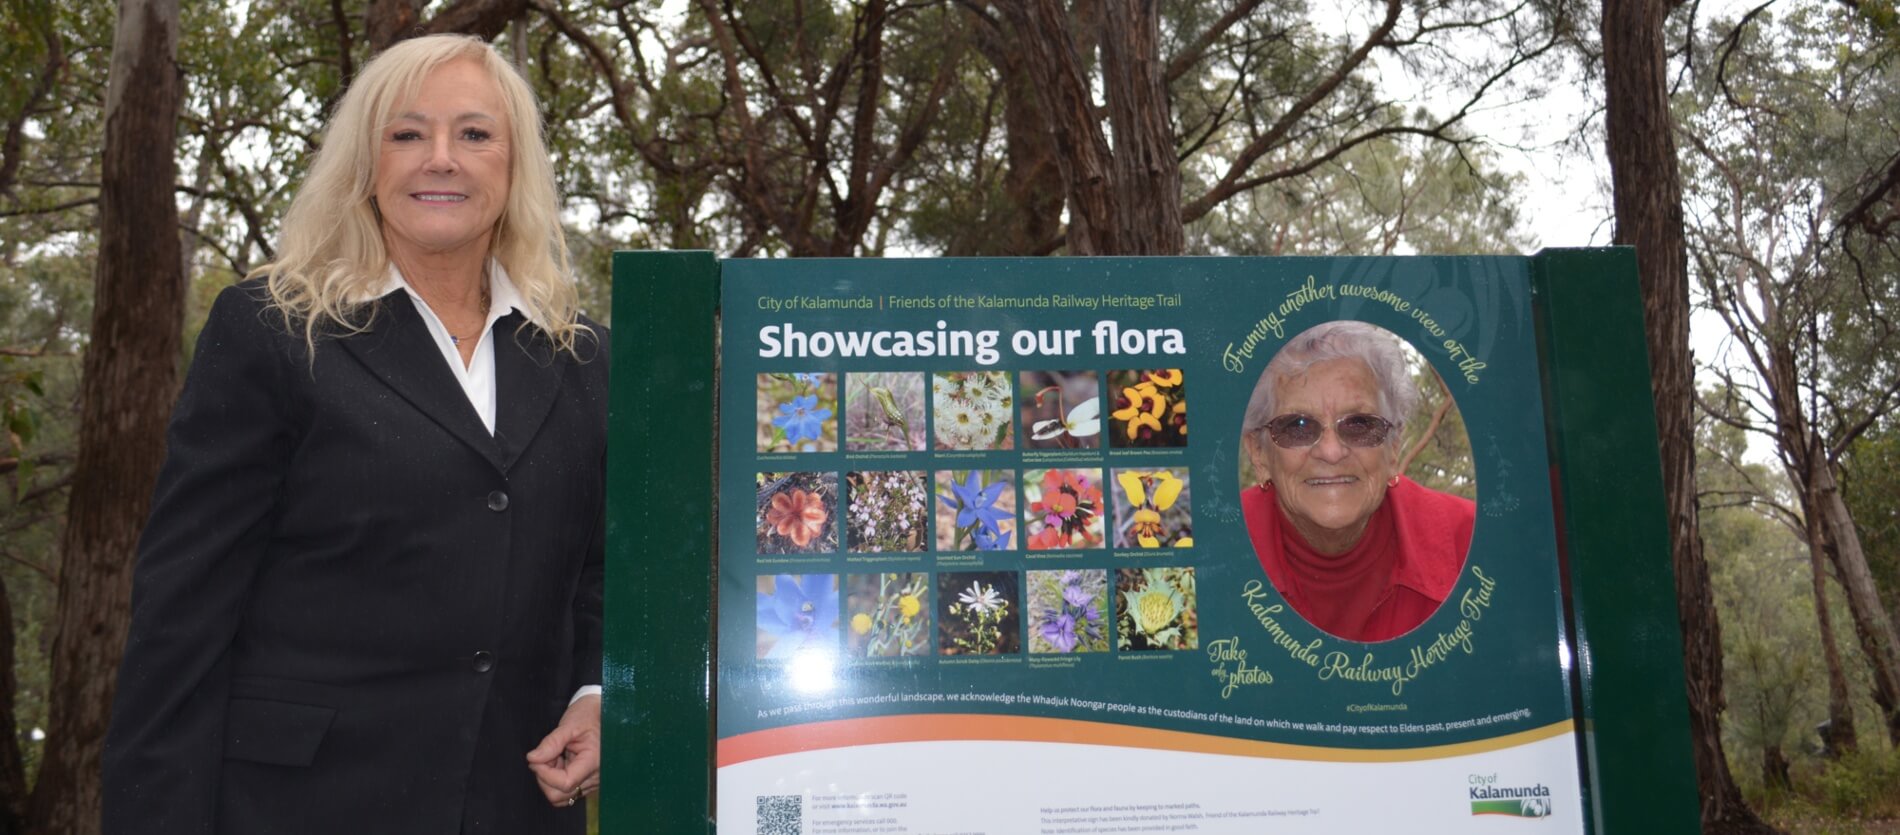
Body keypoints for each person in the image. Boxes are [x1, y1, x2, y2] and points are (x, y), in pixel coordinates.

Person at [103, 35, 607, 833]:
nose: (440, 158)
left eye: (474, 134)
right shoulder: (272, 331)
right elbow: (181, 623)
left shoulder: (580, 356)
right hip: (295, 806)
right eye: (406, 134)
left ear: (516, 167)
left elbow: (600, 576)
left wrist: (595, 693)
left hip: (510, 807)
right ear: (364, 164)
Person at [1240, 320, 1473, 643]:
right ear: (1259, 454)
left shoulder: (1471, 543)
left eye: (1360, 424)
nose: (1332, 452)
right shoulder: (1210, 550)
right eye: (1298, 425)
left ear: (1394, 447)